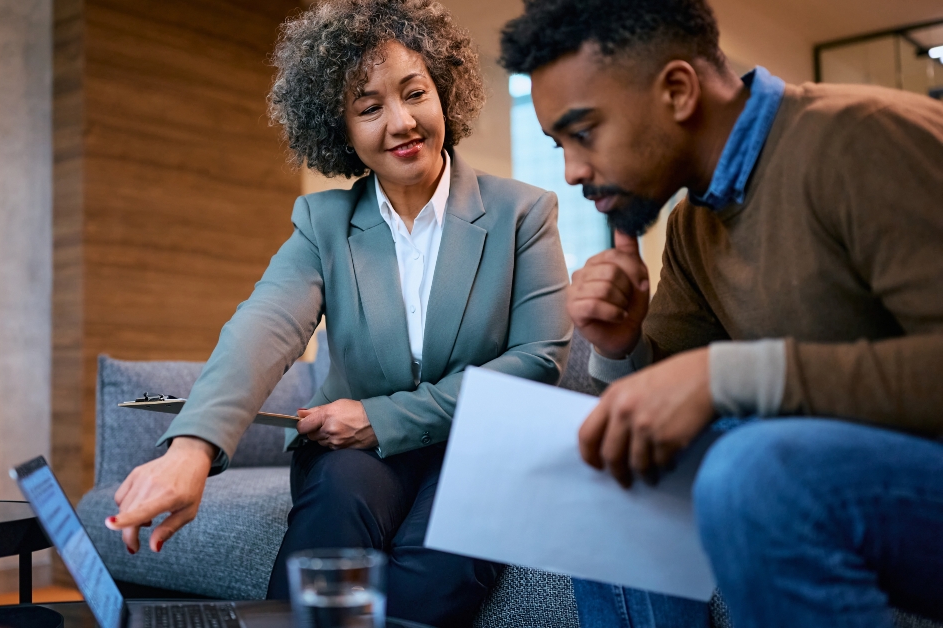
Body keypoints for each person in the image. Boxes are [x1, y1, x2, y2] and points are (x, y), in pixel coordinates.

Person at [106, 1, 573, 625]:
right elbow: (264, 326)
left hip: (482, 445)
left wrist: (382, 418)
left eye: (415, 93)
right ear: (341, 128)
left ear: (445, 94)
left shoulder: (523, 212)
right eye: (369, 107)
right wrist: (191, 449)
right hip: (358, 460)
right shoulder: (323, 222)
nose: (401, 122)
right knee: (333, 506)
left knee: (430, 573)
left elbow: (538, 360)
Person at [500, 0, 943, 626]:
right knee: (613, 457)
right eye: (558, 143)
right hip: (865, 483)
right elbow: (672, 409)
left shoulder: (861, 138)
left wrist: (729, 378)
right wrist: (621, 348)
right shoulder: (693, 225)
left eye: (584, 132)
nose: (571, 171)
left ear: (677, 90)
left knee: (757, 475)